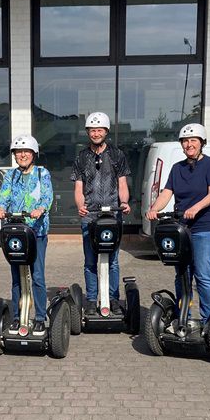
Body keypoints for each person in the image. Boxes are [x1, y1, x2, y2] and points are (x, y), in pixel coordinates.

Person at [145, 123, 210, 328]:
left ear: (201, 143)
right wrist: (154, 208)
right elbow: (166, 193)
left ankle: (209, 321)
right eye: (186, 141)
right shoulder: (177, 168)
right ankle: (184, 318)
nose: (189, 145)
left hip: (205, 227)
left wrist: (195, 208)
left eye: (193, 141)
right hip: (183, 228)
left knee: (202, 273)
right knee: (181, 275)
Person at [72, 112, 131, 315]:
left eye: (99, 130)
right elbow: (78, 188)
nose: (96, 133)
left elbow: (122, 183)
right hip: (90, 215)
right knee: (90, 261)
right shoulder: (81, 157)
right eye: (92, 130)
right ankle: (90, 300)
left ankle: (113, 299)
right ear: (88, 132)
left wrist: (124, 202)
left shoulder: (117, 155)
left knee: (112, 261)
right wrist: (80, 205)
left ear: (106, 131)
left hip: (113, 215)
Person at [0, 135, 54, 334]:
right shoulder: (11, 176)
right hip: (17, 231)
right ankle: (18, 316)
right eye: (18, 152)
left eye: (26, 152)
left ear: (33, 153)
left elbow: (47, 195)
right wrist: (1, 208)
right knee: (16, 276)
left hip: (37, 231)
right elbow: (3, 195)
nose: (22, 155)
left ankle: (39, 316)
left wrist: (41, 208)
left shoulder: (41, 173)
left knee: (37, 275)